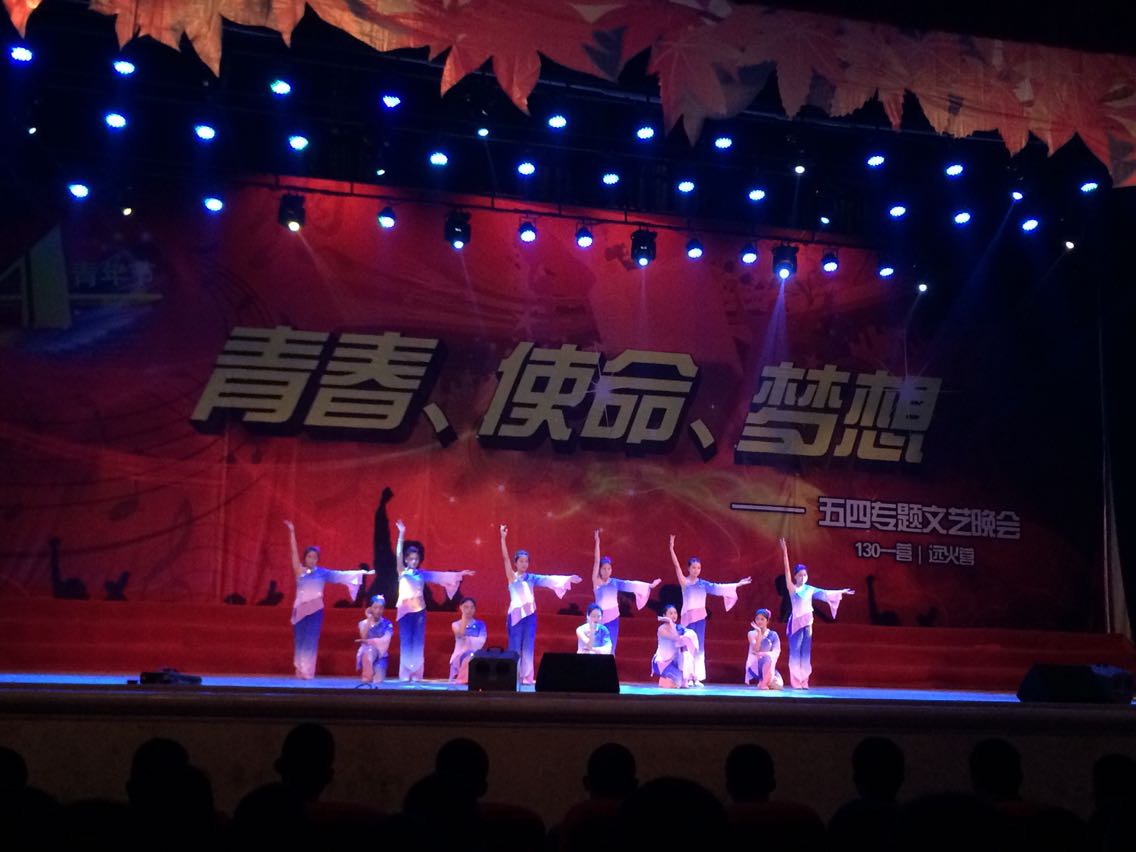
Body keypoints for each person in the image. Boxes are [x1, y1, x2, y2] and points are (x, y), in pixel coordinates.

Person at [284, 519, 373, 679]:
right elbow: (293, 553)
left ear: (317, 559)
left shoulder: (322, 573)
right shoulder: (300, 571)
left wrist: (362, 573)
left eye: (314, 557)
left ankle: (307, 671)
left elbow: (341, 575)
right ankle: (299, 669)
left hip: (315, 610)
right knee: (300, 640)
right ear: (305, 558)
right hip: (300, 611)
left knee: (311, 640)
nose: (312, 559)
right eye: (309, 557)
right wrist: (291, 532)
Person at [500, 524, 582, 685]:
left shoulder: (532, 578)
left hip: (530, 615)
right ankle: (513, 675)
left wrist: (568, 579)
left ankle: (527, 677)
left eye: (526, 561)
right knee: (515, 645)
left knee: (528, 645)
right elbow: (505, 558)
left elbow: (548, 579)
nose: (524, 564)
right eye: (521, 561)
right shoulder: (512, 577)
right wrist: (503, 539)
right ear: (515, 563)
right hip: (515, 616)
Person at [394, 519, 474, 681]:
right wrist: (401, 534)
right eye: (411, 559)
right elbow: (398, 555)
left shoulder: (421, 574)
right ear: (406, 560)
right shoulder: (402, 572)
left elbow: (440, 576)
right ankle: (405, 673)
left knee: (418, 642)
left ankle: (416, 674)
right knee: (406, 641)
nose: (414, 561)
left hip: (419, 612)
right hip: (404, 611)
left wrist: (460, 574)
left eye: (416, 559)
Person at [669, 534, 751, 686]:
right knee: (687, 645)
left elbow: (720, 588)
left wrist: (738, 584)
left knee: (699, 647)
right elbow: (676, 566)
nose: (696, 570)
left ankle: (696, 677)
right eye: (693, 567)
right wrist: (671, 549)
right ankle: (687, 677)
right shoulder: (685, 582)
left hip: (700, 619)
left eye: (698, 568)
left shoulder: (704, 584)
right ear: (689, 568)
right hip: (687, 619)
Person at [780, 537, 853, 688]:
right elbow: (786, 570)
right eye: (800, 575)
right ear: (795, 576)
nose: (803, 577)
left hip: (808, 623)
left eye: (805, 575)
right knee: (795, 651)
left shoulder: (810, 589)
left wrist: (842, 591)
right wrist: (785, 551)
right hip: (796, 623)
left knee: (806, 652)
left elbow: (826, 593)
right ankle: (796, 680)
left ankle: (804, 680)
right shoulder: (792, 588)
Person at [591, 529, 660, 653]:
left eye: (609, 568)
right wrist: (597, 542)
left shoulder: (615, 582)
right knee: (597, 647)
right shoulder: (597, 582)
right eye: (604, 568)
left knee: (610, 647)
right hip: (598, 618)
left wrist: (649, 585)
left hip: (613, 618)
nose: (606, 571)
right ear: (599, 570)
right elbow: (596, 561)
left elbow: (630, 584)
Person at [651, 603, 699, 688]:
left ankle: (671, 678)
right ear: (664, 615)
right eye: (671, 613)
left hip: (673, 661)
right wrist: (670, 622)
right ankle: (663, 680)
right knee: (678, 683)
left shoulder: (678, 627)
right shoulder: (662, 629)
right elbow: (676, 638)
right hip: (663, 662)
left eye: (675, 613)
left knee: (684, 683)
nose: (674, 615)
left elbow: (689, 634)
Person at [356, 595, 393, 685]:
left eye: (381, 608)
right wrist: (369, 619)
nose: (378, 611)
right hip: (368, 654)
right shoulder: (363, 623)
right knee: (369, 651)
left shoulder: (387, 624)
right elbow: (363, 637)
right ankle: (366, 676)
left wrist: (370, 641)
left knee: (378, 681)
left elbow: (386, 640)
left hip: (380, 655)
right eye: (375, 608)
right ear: (370, 608)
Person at [449, 597, 487, 684]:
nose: (469, 610)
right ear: (460, 607)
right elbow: (460, 635)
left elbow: (481, 641)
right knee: (467, 659)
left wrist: (468, 639)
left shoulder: (480, 624)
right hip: (459, 654)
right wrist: (464, 619)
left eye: (471, 607)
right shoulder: (455, 624)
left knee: (472, 658)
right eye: (466, 607)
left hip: (475, 654)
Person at [744, 608, 783, 689]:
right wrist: (759, 633)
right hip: (755, 663)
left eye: (762, 619)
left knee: (778, 685)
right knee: (767, 658)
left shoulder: (773, 634)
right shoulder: (751, 633)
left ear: (767, 621)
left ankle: (763, 681)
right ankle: (763, 684)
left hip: (769, 663)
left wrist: (764, 654)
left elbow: (776, 651)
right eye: (757, 619)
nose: (759, 621)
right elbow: (756, 649)